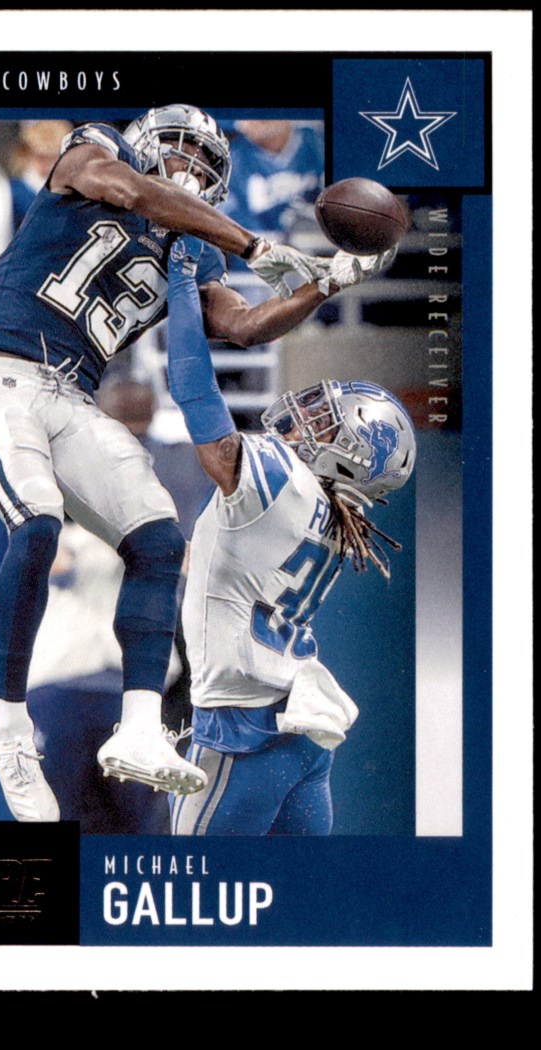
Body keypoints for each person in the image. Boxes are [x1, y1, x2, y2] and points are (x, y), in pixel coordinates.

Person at [0, 102, 397, 823]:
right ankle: (9, 728)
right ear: (145, 144)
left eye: (201, 164)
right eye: (178, 152)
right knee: (36, 524)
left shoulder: (189, 249)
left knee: (158, 539)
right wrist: (254, 245)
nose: (186, 169)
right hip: (4, 371)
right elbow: (127, 189)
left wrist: (328, 281)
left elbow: (244, 326)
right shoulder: (94, 153)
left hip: (74, 394)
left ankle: (139, 725)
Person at [164, 235, 416, 836]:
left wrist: (180, 286)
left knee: (197, 890)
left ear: (348, 459)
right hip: (301, 738)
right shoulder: (341, 514)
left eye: (326, 426)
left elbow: (193, 389)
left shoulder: (281, 481)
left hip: (240, 735)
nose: (306, 421)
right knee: (302, 893)